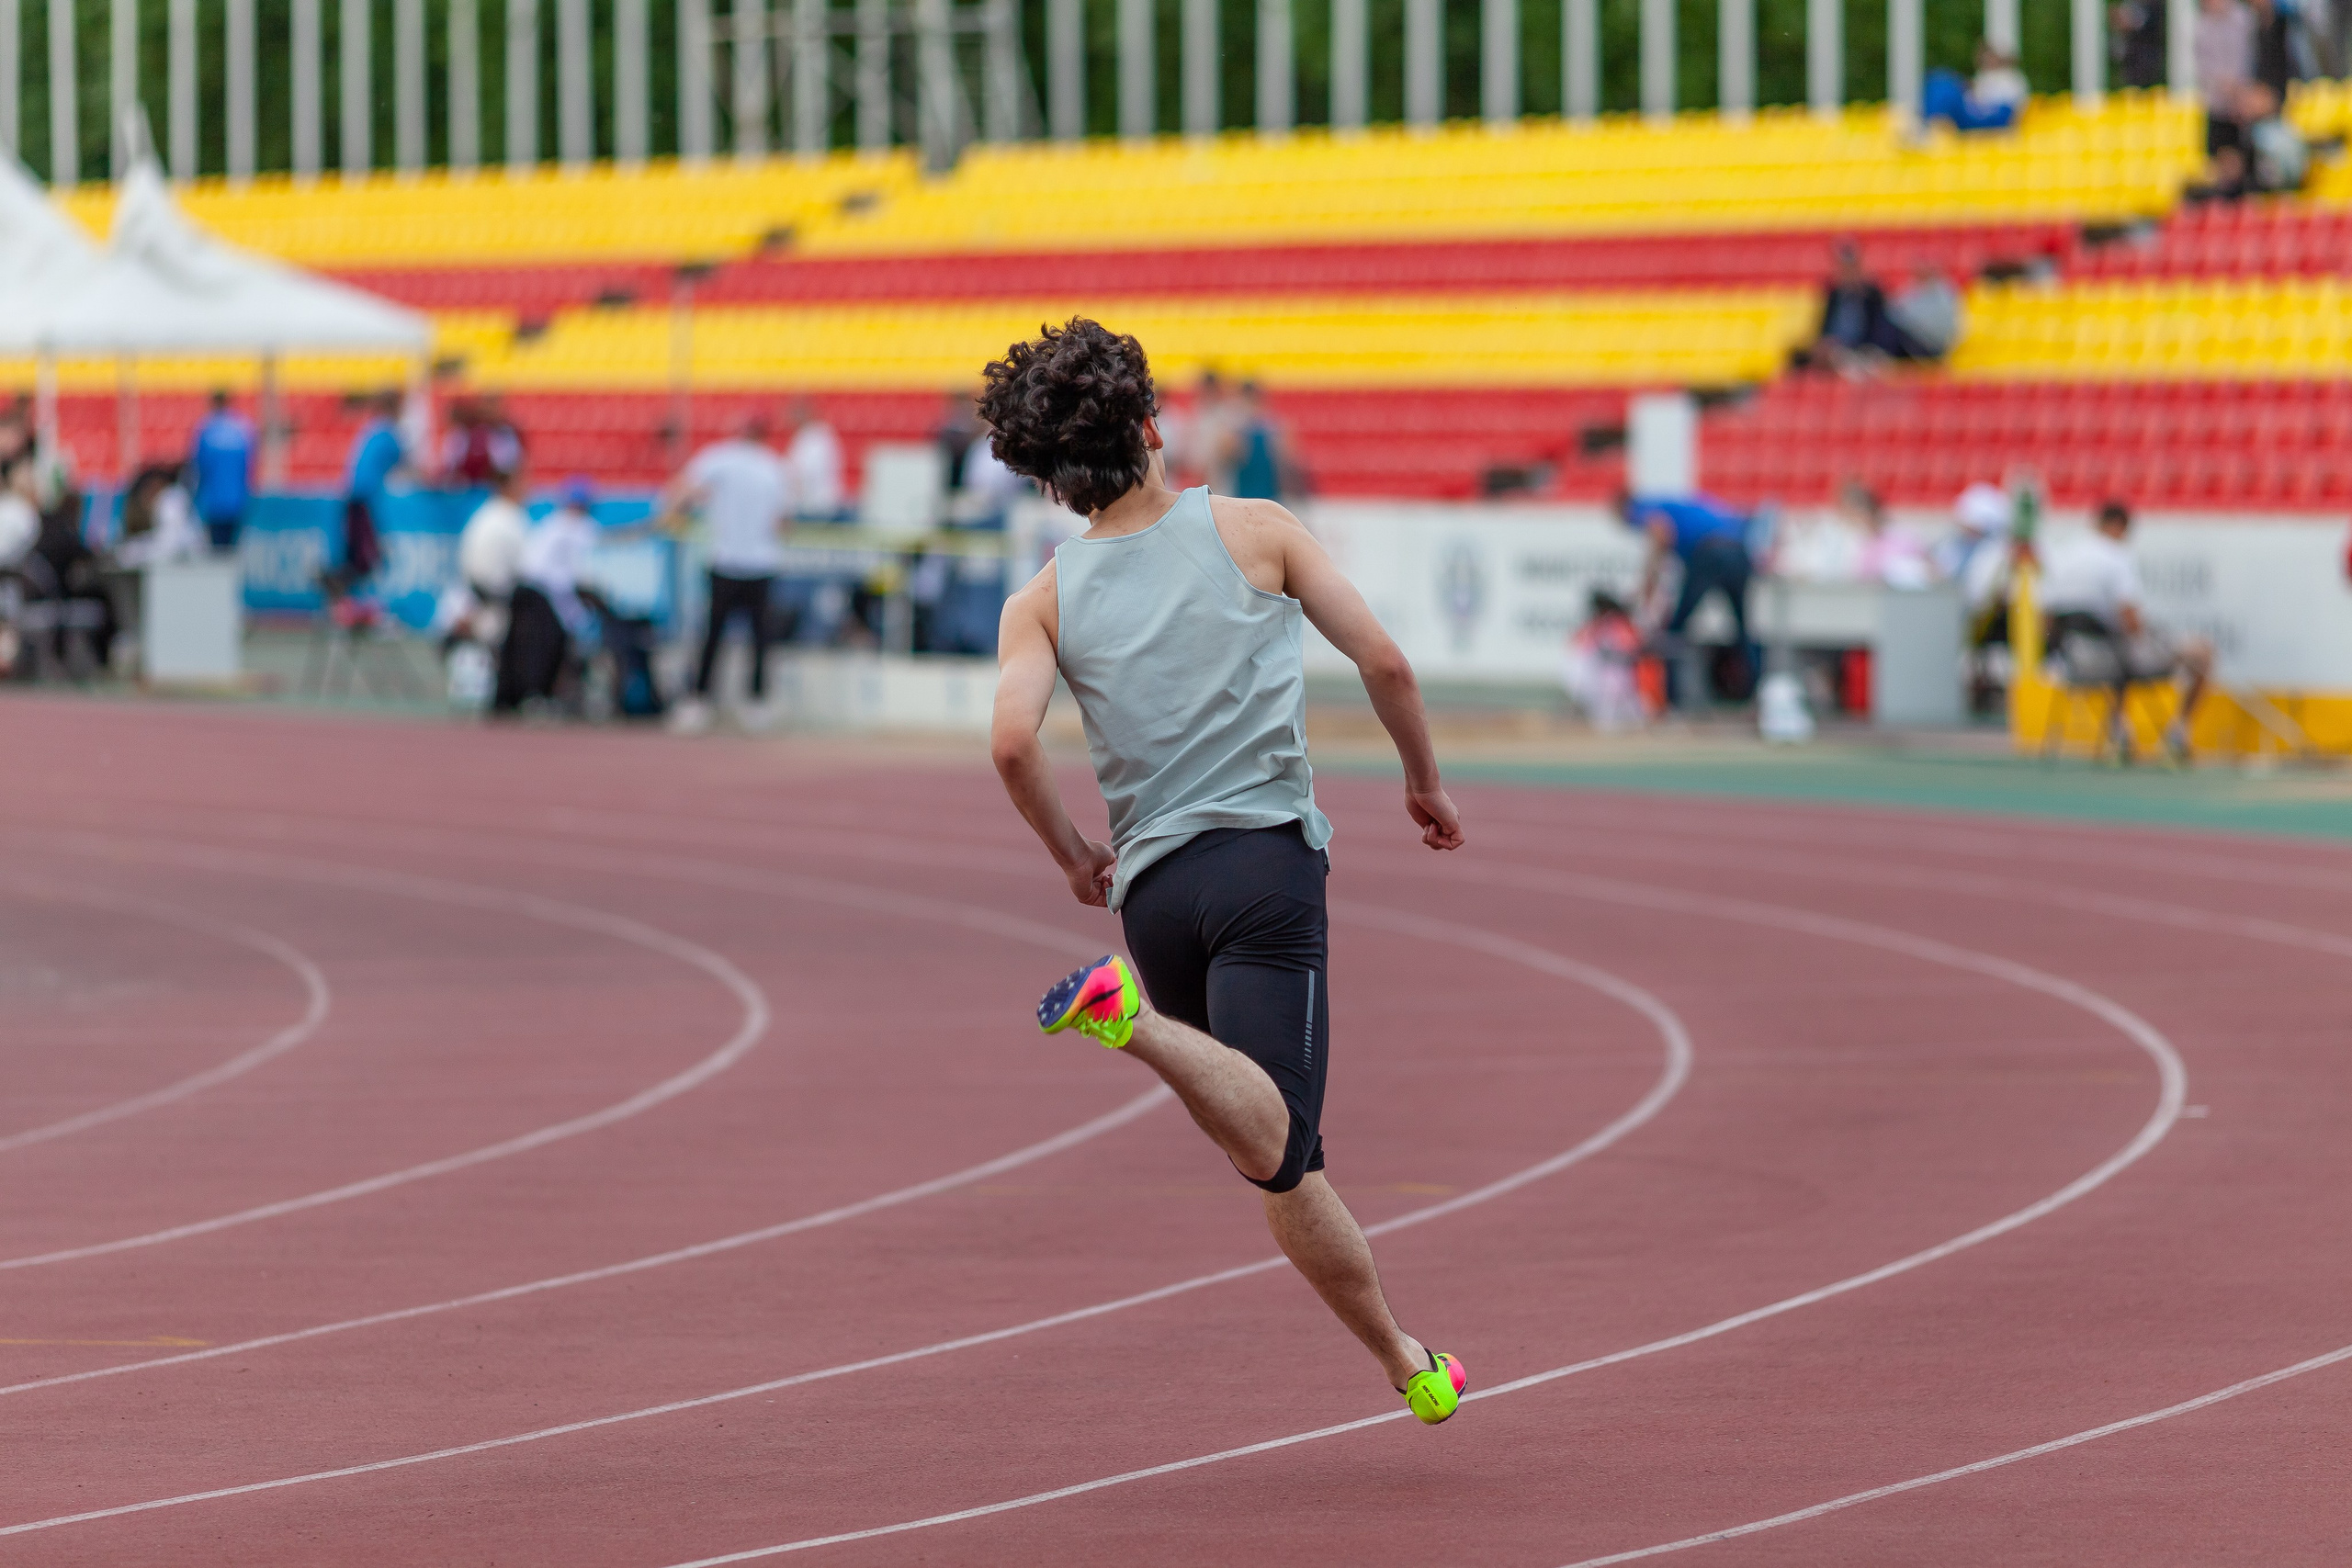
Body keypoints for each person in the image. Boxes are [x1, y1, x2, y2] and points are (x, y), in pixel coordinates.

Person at [983, 318, 1470, 1426]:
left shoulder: (1043, 600)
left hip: (1152, 895)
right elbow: (1383, 659)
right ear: (1155, 426)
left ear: (1053, 482)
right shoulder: (1254, 528)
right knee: (1280, 1132)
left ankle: (1405, 1360)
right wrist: (1422, 781)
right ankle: (1132, 1023)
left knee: (1279, 1159)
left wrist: (1072, 858)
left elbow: (1012, 744)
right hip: (1262, 868)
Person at [2039, 498, 2213, 761]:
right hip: (2115, 662)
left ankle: (2120, 729)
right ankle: (2178, 733)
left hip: (2075, 662)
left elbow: (2046, 620)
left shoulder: (2061, 557)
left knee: (2115, 648)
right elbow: (2131, 623)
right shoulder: (2116, 557)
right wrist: (2148, 631)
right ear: (2118, 526)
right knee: (2201, 653)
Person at [666, 411, 793, 732]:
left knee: (712, 635)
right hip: (760, 563)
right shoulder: (773, 466)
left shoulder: (719, 458)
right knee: (760, 638)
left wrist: (677, 513)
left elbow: (683, 489)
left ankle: (699, 700)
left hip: (725, 560)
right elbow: (783, 522)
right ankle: (756, 703)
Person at [1617, 489, 1758, 702]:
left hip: (1711, 553)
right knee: (1743, 629)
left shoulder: (1643, 510)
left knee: (1675, 631)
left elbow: (1659, 536)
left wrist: (1647, 587)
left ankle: (1672, 696)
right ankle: (1752, 694)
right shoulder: (1672, 504)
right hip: (1738, 552)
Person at [1797, 243, 1932, 372]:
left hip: (1862, 351)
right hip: (1835, 349)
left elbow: (1880, 331)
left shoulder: (1872, 295)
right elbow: (1824, 327)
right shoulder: (1833, 294)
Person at [338, 389, 405, 592]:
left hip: (355, 498)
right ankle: (341, 592)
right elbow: (410, 467)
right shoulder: (387, 434)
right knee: (366, 558)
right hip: (364, 501)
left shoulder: (371, 430)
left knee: (360, 556)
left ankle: (342, 592)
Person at [187, 389, 254, 553]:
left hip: (213, 502)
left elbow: (197, 468)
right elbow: (250, 467)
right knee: (232, 552)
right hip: (238, 501)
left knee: (217, 553)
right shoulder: (242, 428)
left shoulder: (206, 430)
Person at [1923, 40, 2029, 131]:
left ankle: (1935, 124)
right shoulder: (1986, 75)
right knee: (1941, 82)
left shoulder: (2010, 78)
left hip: (1989, 119)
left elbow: (2000, 110)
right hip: (1978, 115)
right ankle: (1935, 123)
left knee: (1943, 85)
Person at [1228, 380, 1294, 501]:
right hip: (1244, 492)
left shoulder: (1273, 426)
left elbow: (1287, 461)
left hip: (1266, 491)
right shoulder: (1236, 428)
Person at [784, 398, 844, 522]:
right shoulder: (806, 437)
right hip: (811, 504)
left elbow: (806, 473)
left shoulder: (818, 438)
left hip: (818, 507)